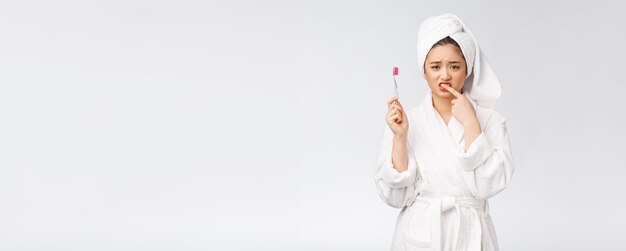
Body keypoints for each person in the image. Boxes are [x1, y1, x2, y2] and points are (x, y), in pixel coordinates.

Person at [374, 13, 514, 251]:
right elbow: (395, 198)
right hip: (422, 234)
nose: (445, 75)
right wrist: (400, 137)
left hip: (471, 235)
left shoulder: (489, 120)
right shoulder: (408, 122)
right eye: (435, 67)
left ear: (468, 69)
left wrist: (471, 124)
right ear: (424, 71)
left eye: (454, 66)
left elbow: (490, 186)